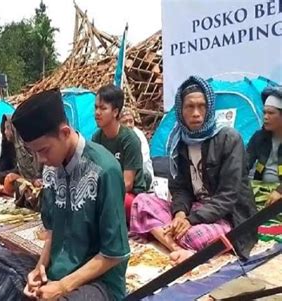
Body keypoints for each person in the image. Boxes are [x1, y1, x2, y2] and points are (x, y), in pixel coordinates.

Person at [0, 89, 130, 301]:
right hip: (58, 271)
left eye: (44, 150)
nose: (40, 159)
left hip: (98, 282)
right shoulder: (52, 168)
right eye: (34, 152)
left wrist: (62, 287)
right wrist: (39, 269)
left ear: (65, 133)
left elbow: (114, 254)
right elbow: (53, 229)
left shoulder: (105, 169)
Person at [129, 76, 258, 265]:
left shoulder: (229, 139)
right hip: (196, 208)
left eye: (202, 106)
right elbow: (180, 188)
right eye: (189, 107)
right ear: (181, 111)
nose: (196, 113)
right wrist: (180, 214)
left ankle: (176, 242)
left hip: (228, 214)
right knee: (141, 202)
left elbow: (228, 196)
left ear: (210, 108)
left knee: (193, 236)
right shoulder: (179, 141)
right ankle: (177, 249)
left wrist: (191, 220)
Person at [92, 84, 146, 221]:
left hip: (130, 194)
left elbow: (127, 183)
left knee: (118, 205)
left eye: (103, 108)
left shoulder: (130, 140)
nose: (97, 113)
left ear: (115, 112)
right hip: (105, 191)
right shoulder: (97, 137)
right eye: (96, 107)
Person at [0, 115, 43, 208]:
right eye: (4, 128)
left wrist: (1, 177)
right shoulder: (10, 144)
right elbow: (5, 163)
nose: (5, 132)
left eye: (8, 128)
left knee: (12, 180)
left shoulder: (26, 145)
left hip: (35, 182)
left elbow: (32, 171)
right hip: (24, 179)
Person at [247, 86, 282, 206]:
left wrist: (279, 191)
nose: (265, 117)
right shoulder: (259, 137)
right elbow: (244, 164)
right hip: (260, 188)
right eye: (264, 113)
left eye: (271, 113)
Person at [121, 110, 154, 189]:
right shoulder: (117, 135)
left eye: (131, 121)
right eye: (125, 122)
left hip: (138, 172)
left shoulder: (138, 136)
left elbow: (142, 161)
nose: (128, 125)